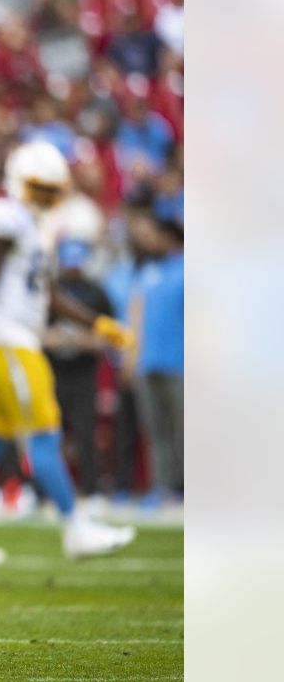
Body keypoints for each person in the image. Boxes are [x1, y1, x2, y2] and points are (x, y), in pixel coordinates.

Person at [0, 141, 137, 565]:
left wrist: (95, 323)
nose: (44, 196)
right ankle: (76, 528)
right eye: (37, 187)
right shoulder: (4, 217)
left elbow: (48, 293)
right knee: (44, 430)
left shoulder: (32, 225)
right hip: (6, 339)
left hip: (9, 337)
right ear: (19, 183)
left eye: (49, 189)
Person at [44, 238, 114, 510]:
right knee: (48, 436)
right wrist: (57, 339)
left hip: (84, 373)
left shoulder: (97, 292)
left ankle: (92, 491)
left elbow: (104, 336)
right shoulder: (51, 289)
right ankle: (42, 492)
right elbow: (38, 333)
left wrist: (77, 340)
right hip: (53, 372)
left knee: (86, 434)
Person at [132, 212, 183, 507]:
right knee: (156, 432)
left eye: (159, 236)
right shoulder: (147, 272)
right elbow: (136, 315)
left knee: (185, 430)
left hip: (181, 364)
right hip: (148, 362)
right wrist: (132, 357)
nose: (153, 241)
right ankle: (162, 488)